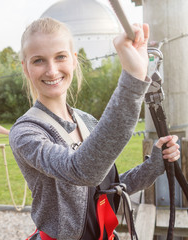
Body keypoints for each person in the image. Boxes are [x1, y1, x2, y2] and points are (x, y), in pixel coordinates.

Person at [9, 17, 180, 240]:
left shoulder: (86, 120)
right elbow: (81, 171)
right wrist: (134, 80)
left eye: (60, 56)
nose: (51, 71)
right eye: (39, 60)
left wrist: (154, 165)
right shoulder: (26, 133)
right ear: (26, 68)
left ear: (73, 60)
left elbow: (108, 189)